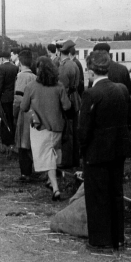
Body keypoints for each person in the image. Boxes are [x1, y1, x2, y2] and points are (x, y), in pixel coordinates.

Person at [79, 50, 131, 251]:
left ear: (91, 71)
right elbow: (129, 120)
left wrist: (83, 151)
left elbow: (84, 129)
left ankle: (101, 240)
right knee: (116, 192)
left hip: (97, 152)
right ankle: (118, 238)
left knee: (97, 196)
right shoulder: (121, 90)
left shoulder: (91, 94)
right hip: (119, 149)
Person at [20, 56, 71, 201]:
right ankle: (50, 181)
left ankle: (55, 188)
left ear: (37, 70)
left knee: (47, 158)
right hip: (57, 127)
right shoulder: (59, 86)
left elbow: (23, 107)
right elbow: (67, 106)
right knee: (52, 154)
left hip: (40, 128)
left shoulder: (31, 86)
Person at [13, 49, 40, 183]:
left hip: (24, 113)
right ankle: (34, 170)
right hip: (34, 113)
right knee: (31, 143)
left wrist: (15, 112)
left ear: (20, 62)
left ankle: (25, 173)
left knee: (22, 144)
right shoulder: (35, 77)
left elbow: (18, 98)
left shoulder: (20, 76)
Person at [57, 40, 81, 168]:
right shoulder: (75, 64)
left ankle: (66, 161)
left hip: (67, 100)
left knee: (67, 131)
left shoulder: (63, 67)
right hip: (75, 99)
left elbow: (62, 87)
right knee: (74, 130)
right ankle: (75, 160)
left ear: (61, 53)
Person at [0, 50, 18, 148]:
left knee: (4, 119)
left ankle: (6, 141)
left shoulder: (1, 68)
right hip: (13, 97)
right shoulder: (15, 67)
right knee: (12, 119)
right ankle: (13, 139)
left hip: (4, 98)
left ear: (2, 58)